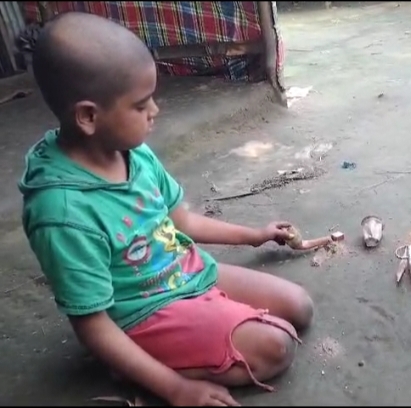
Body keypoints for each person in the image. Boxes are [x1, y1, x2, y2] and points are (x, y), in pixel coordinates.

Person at [18, 12, 314, 406]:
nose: (155, 111)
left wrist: (254, 235)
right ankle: (134, 365)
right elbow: (92, 326)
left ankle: (197, 332)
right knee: (278, 347)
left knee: (300, 307)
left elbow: (180, 222)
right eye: (141, 105)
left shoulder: (134, 154)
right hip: (141, 313)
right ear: (88, 116)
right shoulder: (62, 211)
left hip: (183, 273)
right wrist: (175, 388)